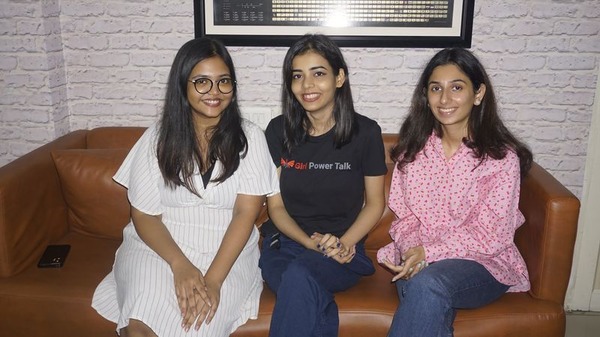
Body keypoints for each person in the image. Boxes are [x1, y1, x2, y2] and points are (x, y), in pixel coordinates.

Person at [91, 37, 278, 337]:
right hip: (159, 248)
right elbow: (144, 216)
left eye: (223, 82)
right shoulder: (157, 139)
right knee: (140, 326)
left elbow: (245, 213)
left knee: (198, 326)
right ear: (183, 86)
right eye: (201, 82)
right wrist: (180, 266)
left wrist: (213, 280)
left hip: (225, 254)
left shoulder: (251, 138)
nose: (214, 92)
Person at [377, 47, 534, 337]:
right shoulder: (413, 151)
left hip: (483, 264)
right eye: (436, 88)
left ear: (478, 93)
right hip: (419, 259)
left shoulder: (500, 158)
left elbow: (492, 235)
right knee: (425, 289)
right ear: (426, 95)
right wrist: (415, 253)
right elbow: (405, 219)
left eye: (457, 87)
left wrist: (430, 252)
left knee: (427, 284)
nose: (445, 99)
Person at [258, 34, 387, 337]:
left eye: (318, 74)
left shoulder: (365, 133)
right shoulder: (278, 131)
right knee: (300, 279)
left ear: (339, 77)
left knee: (301, 278)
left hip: (342, 250)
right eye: (297, 76)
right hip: (287, 246)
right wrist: (307, 242)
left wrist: (345, 243)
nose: (307, 86)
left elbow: (375, 204)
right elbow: (275, 206)